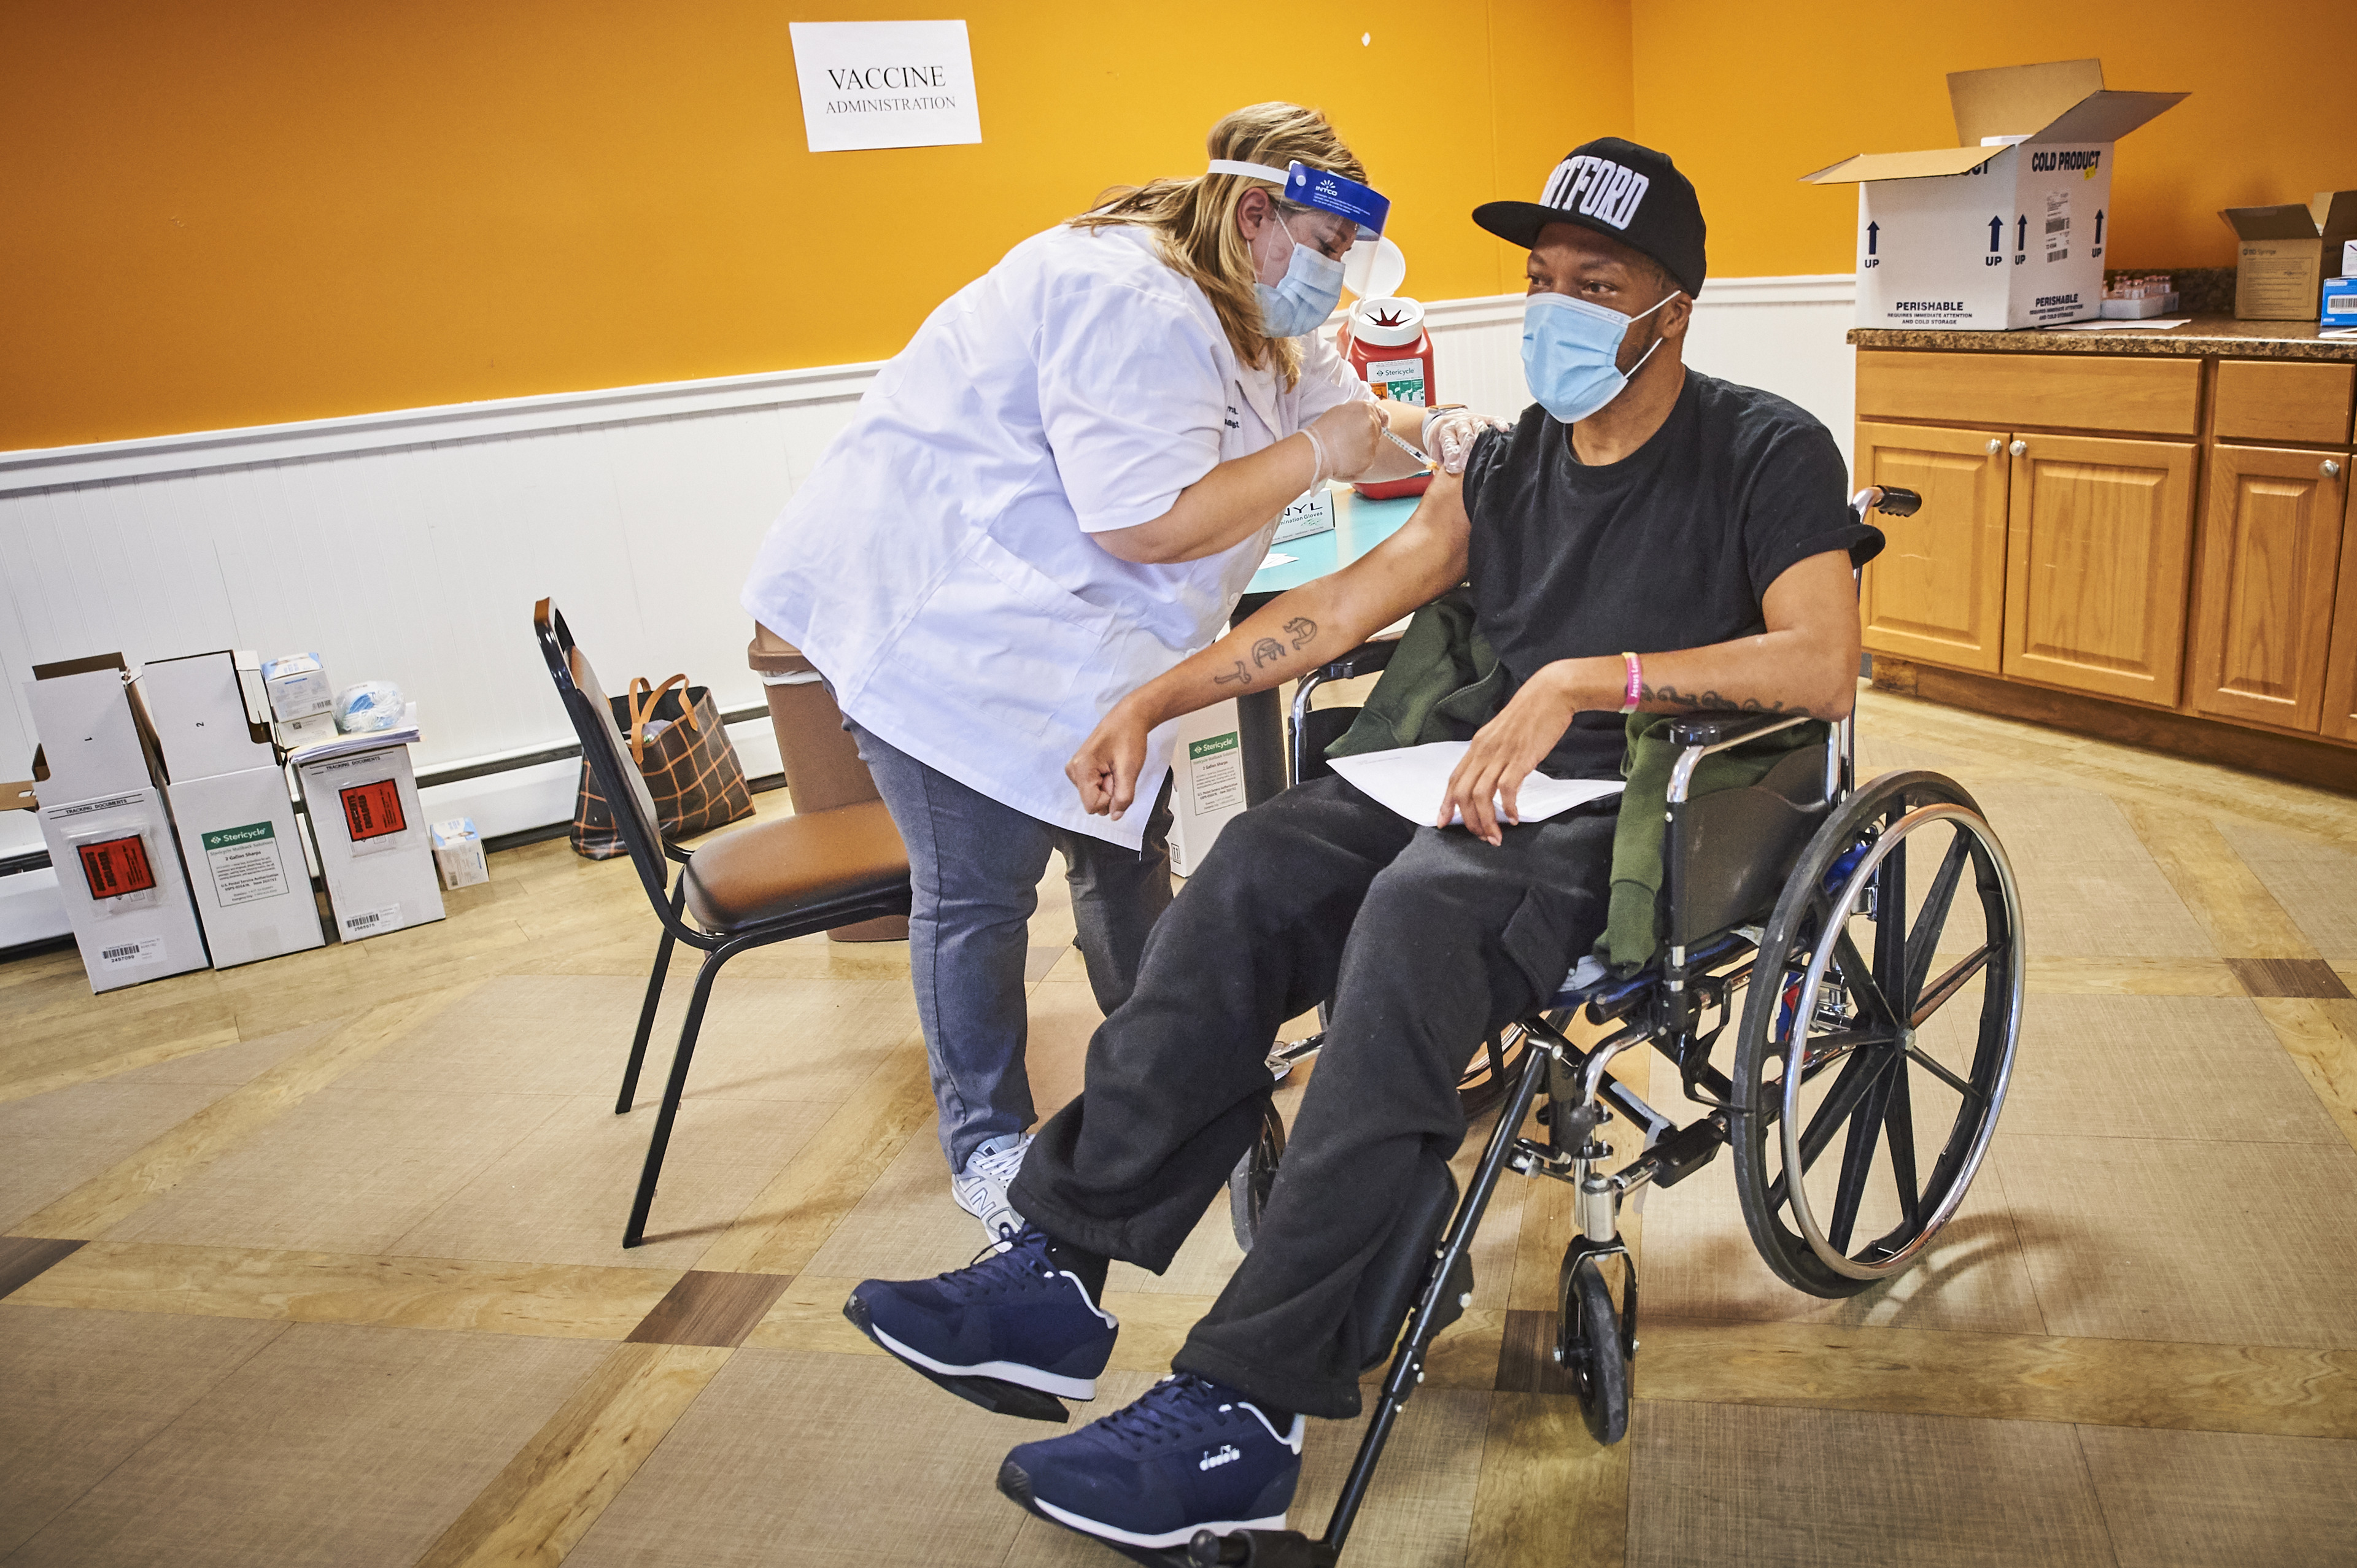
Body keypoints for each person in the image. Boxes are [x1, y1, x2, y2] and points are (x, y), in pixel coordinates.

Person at [843, 136, 1884, 1554]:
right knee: (1256, 871)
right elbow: (1334, 612)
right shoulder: (1511, 465)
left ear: (1672, 309)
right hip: (1469, 781)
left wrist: (1587, 680)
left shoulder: (1764, 447)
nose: (1557, 306)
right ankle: (1055, 1272)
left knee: (1415, 923)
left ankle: (1243, 1408)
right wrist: (1153, 696)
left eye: (1598, 281)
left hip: (1648, 810)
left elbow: (1822, 665)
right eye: (1541, 277)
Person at [742, 103, 1462, 1240]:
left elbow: (1344, 411)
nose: (1333, 280)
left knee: (1124, 869)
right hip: (949, 638)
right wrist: (1321, 455)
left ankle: (1169, 1071)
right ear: (1255, 212)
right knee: (977, 899)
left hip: (1086, 647)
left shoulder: (1254, 305)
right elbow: (1143, 524)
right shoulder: (1123, 296)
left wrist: (1438, 433)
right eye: (1326, 251)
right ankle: (988, 1147)